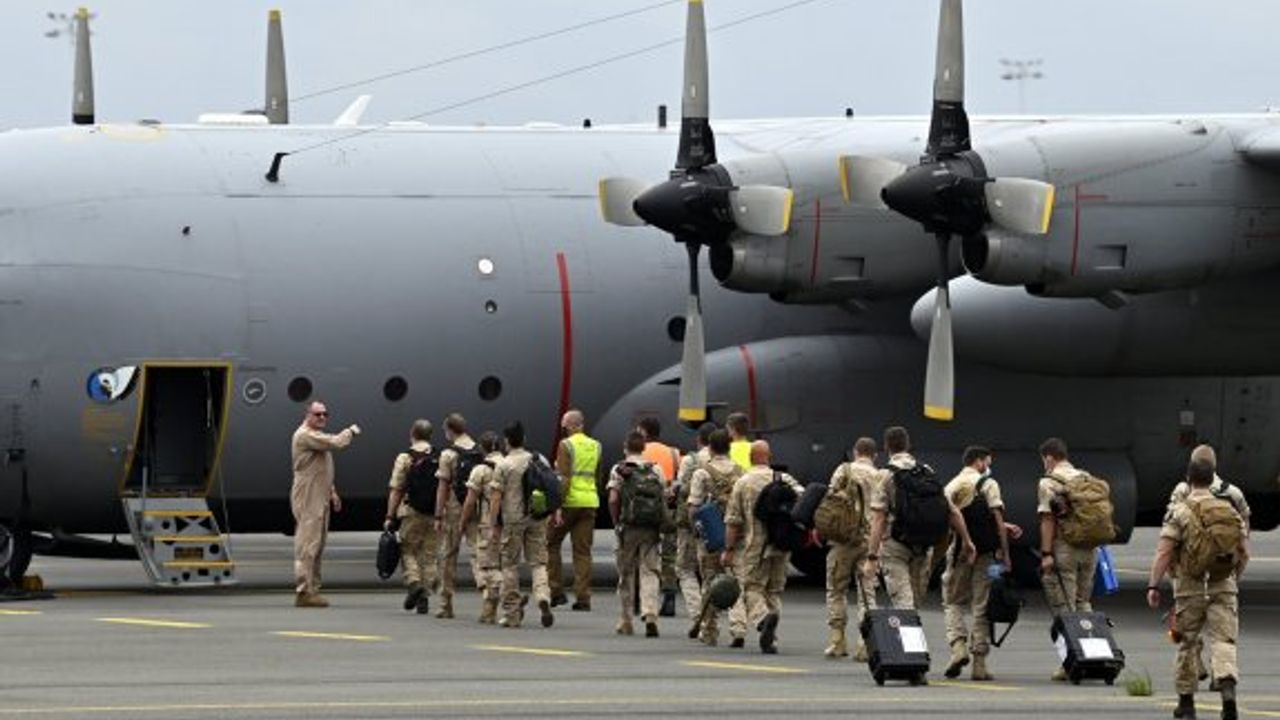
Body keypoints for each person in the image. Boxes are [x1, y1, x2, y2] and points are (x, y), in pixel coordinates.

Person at [1148, 456, 1249, 720]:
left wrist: (1154, 585)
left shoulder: (1179, 511)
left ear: (1189, 479)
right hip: (1223, 585)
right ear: (1212, 476)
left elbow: (1164, 551)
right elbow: (1244, 552)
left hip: (1190, 587)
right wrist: (1232, 579)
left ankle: (1187, 704)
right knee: (1224, 641)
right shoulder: (1229, 510)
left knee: (1187, 642)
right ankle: (1228, 696)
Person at [1166, 444, 1252, 690]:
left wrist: (1172, 571)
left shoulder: (1182, 491)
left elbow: (1171, 530)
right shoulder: (1232, 493)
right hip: (1223, 574)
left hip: (1189, 574)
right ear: (1214, 467)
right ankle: (1222, 678)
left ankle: (1190, 687)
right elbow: (1243, 532)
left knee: (1187, 633)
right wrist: (1236, 572)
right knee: (1222, 635)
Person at [864, 426, 975, 610]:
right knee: (913, 606)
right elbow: (953, 511)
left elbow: (879, 519)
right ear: (908, 445)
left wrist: (871, 557)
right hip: (924, 548)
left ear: (886, 447)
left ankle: (907, 637)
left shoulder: (885, 474)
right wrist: (967, 541)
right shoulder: (926, 471)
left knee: (904, 606)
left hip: (895, 547)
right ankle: (911, 636)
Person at [721, 440, 804, 654]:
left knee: (751, 587)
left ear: (750, 458)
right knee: (774, 590)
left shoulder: (743, 482)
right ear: (769, 456)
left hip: (755, 545)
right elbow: (803, 500)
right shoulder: (784, 479)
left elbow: (733, 521)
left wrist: (728, 550)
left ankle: (762, 619)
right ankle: (772, 638)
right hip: (781, 542)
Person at [1035, 437, 1104, 680]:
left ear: (1050, 457)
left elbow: (1047, 520)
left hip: (1065, 549)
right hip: (1090, 549)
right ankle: (1094, 656)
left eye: (1044, 459)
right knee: (1084, 603)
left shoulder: (1048, 482)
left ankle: (1071, 662)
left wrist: (1045, 554)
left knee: (1064, 608)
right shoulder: (1085, 477)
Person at [941, 446, 1011, 682]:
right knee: (982, 605)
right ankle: (979, 664)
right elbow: (998, 522)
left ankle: (958, 646)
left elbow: (948, 522)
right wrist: (1005, 553)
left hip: (960, 551)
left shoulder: (951, 486)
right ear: (979, 462)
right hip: (986, 554)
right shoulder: (988, 484)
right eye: (987, 461)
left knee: (952, 601)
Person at [487, 422, 558, 628]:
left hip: (513, 519)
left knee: (509, 564)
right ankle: (543, 596)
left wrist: (493, 524)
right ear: (524, 439)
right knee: (538, 562)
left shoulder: (504, 465)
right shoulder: (538, 459)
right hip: (537, 516)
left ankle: (512, 612)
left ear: (507, 441)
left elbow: (496, 498)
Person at [290, 401, 359, 608]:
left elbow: (320, 467)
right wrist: (350, 431)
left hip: (319, 493)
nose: (322, 418)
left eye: (325, 414)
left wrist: (332, 491)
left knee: (318, 544)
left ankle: (313, 588)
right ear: (308, 415)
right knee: (308, 544)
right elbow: (337, 443)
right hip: (309, 495)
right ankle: (303, 590)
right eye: (318, 414)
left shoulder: (316, 438)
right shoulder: (305, 435)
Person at [824, 437, 879, 661]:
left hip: (843, 540)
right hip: (868, 540)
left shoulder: (844, 470)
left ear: (856, 452)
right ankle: (866, 644)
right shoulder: (880, 476)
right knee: (867, 593)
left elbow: (830, 501)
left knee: (836, 589)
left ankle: (837, 641)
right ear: (874, 455)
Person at [686, 428, 743, 646]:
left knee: (710, 582)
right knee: (736, 581)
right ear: (729, 447)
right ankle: (738, 628)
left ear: (709, 447)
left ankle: (709, 630)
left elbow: (693, 506)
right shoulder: (740, 472)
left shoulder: (702, 472)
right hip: (735, 534)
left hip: (710, 536)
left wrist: (696, 531)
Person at [609, 431, 665, 637]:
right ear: (643, 447)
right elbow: (663, 496)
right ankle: (650, 612)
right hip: (650, 527)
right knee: (650, 570)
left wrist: (616, 522)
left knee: (626, 573)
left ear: (626, 447)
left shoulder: (620, 469)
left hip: (628, 527)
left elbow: (614, 499)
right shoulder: (655, 469)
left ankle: (626, 620)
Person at [382, 419, 439, 615]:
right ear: (430, 436)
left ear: (412, 434)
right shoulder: (441, 456)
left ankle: (414, 584)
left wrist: (390, 515)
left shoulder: (405, 457)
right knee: (429, 557)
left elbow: (396, 489)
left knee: (408, 550)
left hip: (412, 512)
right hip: (435, 514)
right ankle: (425, 596)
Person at [548, 409, 602, 611]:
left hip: (570, 501)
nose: (562, 428)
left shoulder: (566, 445)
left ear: (572, 425)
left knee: (551, 543)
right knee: (583, 552)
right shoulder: (596, 445)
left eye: (564, 425)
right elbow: (598, 476)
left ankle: (556, 592)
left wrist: (558, 506)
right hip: (589, 501)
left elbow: (564, 478)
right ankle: (583, 598)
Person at [435, 413, 480, 619]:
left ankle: (446, 604)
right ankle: (488, 593)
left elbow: (442, 488)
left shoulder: (448, 455)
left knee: (447, 556)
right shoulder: (478, 450)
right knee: (478, 553)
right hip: (475, 508)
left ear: (449, 430)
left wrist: (438, 515)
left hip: (454, 510)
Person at [638, 416, 682, 618]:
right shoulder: (673, 453)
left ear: (644, 432)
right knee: (669, 555)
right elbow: (679, 481)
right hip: (669, 509)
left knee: (645, 553)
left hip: (646, 508)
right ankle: (670, 597)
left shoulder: (638, 453)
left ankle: (643, 600)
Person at [672, 422, 715, 628]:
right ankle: (716, 617)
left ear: (699, 439)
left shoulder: (691, 460)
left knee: (685, 568)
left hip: (690, 521)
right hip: (715, 523)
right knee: (711, 572)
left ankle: (698, 614)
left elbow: (680, 488)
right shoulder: (726, 462)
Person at [461, 431, 503, 624]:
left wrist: (463, 522)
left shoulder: (481, 470)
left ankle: (503, 595)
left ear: (482, 448)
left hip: (488, 522)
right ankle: (490, 611)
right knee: (505, 565)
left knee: (485, 565)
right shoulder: (512, 464)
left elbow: (470, 502)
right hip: (512, 522)